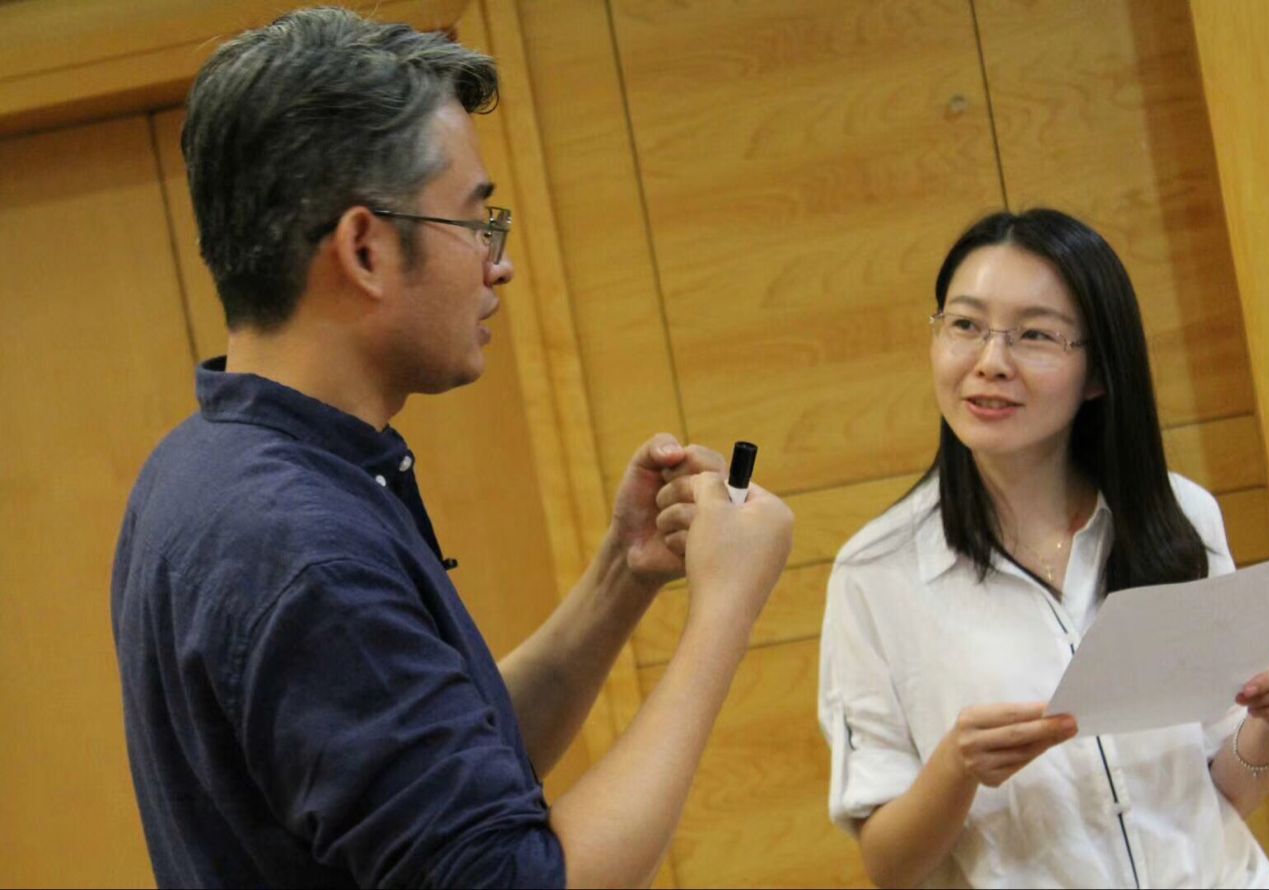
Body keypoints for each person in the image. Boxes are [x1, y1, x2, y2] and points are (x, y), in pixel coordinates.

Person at [110, 8, 793, 888]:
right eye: (475, 222)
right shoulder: (303, 548)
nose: (496, 263)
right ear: (364, 248)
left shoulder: (202, 468)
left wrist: (621, 578)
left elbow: (442, 791)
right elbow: (515, 878)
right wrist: (726, 610)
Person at [818, 208, 1269, 888]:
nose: (990, 363)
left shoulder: (1180, 517)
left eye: (1034, 335)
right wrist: (957, 768)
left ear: (1098, 373)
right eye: (965, 325)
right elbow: (890, 865)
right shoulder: (874, 574)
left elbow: (1224, 795)